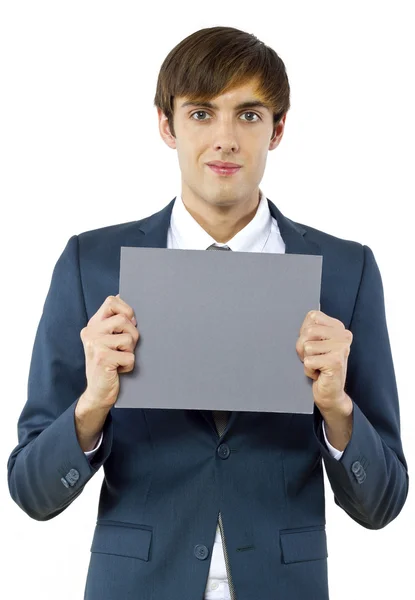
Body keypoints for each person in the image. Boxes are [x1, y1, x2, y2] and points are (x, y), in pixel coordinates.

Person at [7, 26, 409, 600]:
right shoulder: (91, 265)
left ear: (279, 128)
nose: (225, 139)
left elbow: (384, 503)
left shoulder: (345, 271)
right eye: (201, 113)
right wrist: (91, 404)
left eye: (248, 115)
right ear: (167, 125)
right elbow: (31, 491)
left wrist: (337, 409)